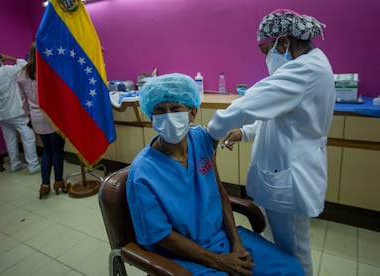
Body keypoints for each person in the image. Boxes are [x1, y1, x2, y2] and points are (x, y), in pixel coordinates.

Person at [126, 73, 304, 275]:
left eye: (175, 108)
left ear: (192, 112)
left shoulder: (201, 140)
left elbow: (219, 192)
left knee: (291, 269)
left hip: (221, 237)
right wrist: (219, 262)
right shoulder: (142, 173)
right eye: (159, 111)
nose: (168, 116)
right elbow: (160, 236)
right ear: (151, 117)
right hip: (181, 256)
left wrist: (236, 243)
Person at [207, 9, 336, 276]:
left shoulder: (305, 70)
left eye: (267, 51)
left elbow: (253, 101)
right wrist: (243, 133)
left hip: (290, 178)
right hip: (283, 174)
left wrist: (212, 131)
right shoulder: (309, 66)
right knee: (281, 247)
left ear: (284, 42)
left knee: (294, 253)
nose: (267, 59)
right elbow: (276, 117)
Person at [16, 42, 66, 199]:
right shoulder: (49, 72)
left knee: (47, 151)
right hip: (53, 117)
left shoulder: (22, 73)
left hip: (36, 117)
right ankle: (58, 182)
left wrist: (28, 115)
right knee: (57, 150)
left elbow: (23, 101)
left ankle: (44, 185)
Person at [0, 50, 41, 175]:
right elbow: (24, 64)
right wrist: (9, 58)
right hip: (15, 110)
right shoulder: (5, 71)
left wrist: (0, 62)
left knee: (10, 139)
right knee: (28, 137)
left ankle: (15, 164)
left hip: (0, 113)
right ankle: (33, 165)